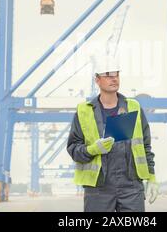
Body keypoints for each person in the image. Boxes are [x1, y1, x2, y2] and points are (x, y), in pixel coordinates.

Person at [67, 56, 158, 212]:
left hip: (131, 186)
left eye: (116, 75)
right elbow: (73, 149)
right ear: (97, 79)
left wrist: (151, 177)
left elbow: (145, 146)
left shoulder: (133, 106)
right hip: (98, 188)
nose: (114, 79)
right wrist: (92, 150)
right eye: (108, 75)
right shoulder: (84, 111)